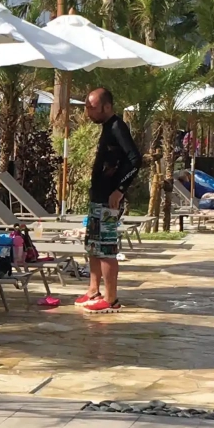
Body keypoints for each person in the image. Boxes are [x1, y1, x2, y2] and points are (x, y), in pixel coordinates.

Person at [78, 86, 142, 314]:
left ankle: (111, 298)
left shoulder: (117, 127)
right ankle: (93, 290)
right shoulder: (107, 127)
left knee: (105, 248)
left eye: (92, 107)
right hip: (98, 197)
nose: (88, 112)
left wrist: (120, 189)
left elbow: (135, 160)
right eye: (86, 107)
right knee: (93, 246)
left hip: (109, 200)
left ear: (106, 106)